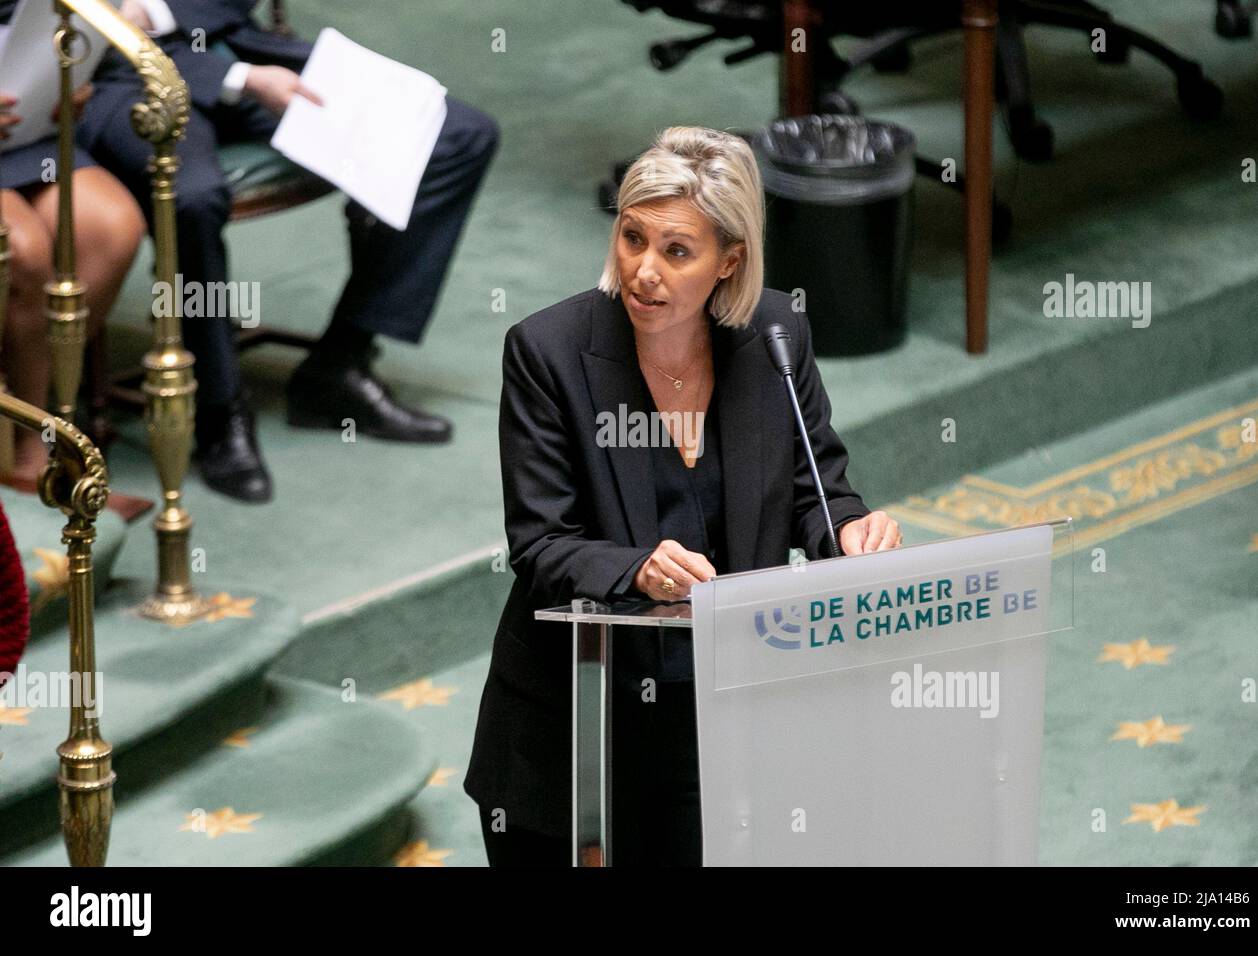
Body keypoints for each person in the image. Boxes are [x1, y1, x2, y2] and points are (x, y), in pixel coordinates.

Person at [464, 126, 902, 866]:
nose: (643, 271)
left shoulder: (775, 336)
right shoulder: (548, 352)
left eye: (676, 252)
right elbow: (540, 545)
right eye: (632, 237)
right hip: (579, 730)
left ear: (729, 260)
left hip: (721, 721)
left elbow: (815, 489)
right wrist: (637, 570)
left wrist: (849, 531)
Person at [77, 0, 499, 503]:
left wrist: (154, 13)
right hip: (114, 82)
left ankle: (341, 362)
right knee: (192, 199)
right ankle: (219, 411)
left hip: (228, 42)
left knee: (456, 136)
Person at [0, 3, 146, 485]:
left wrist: (65, 85)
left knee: (109, 228)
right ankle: (18, 453)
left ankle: (42, 427)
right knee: (23, 252)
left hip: (23, 134)